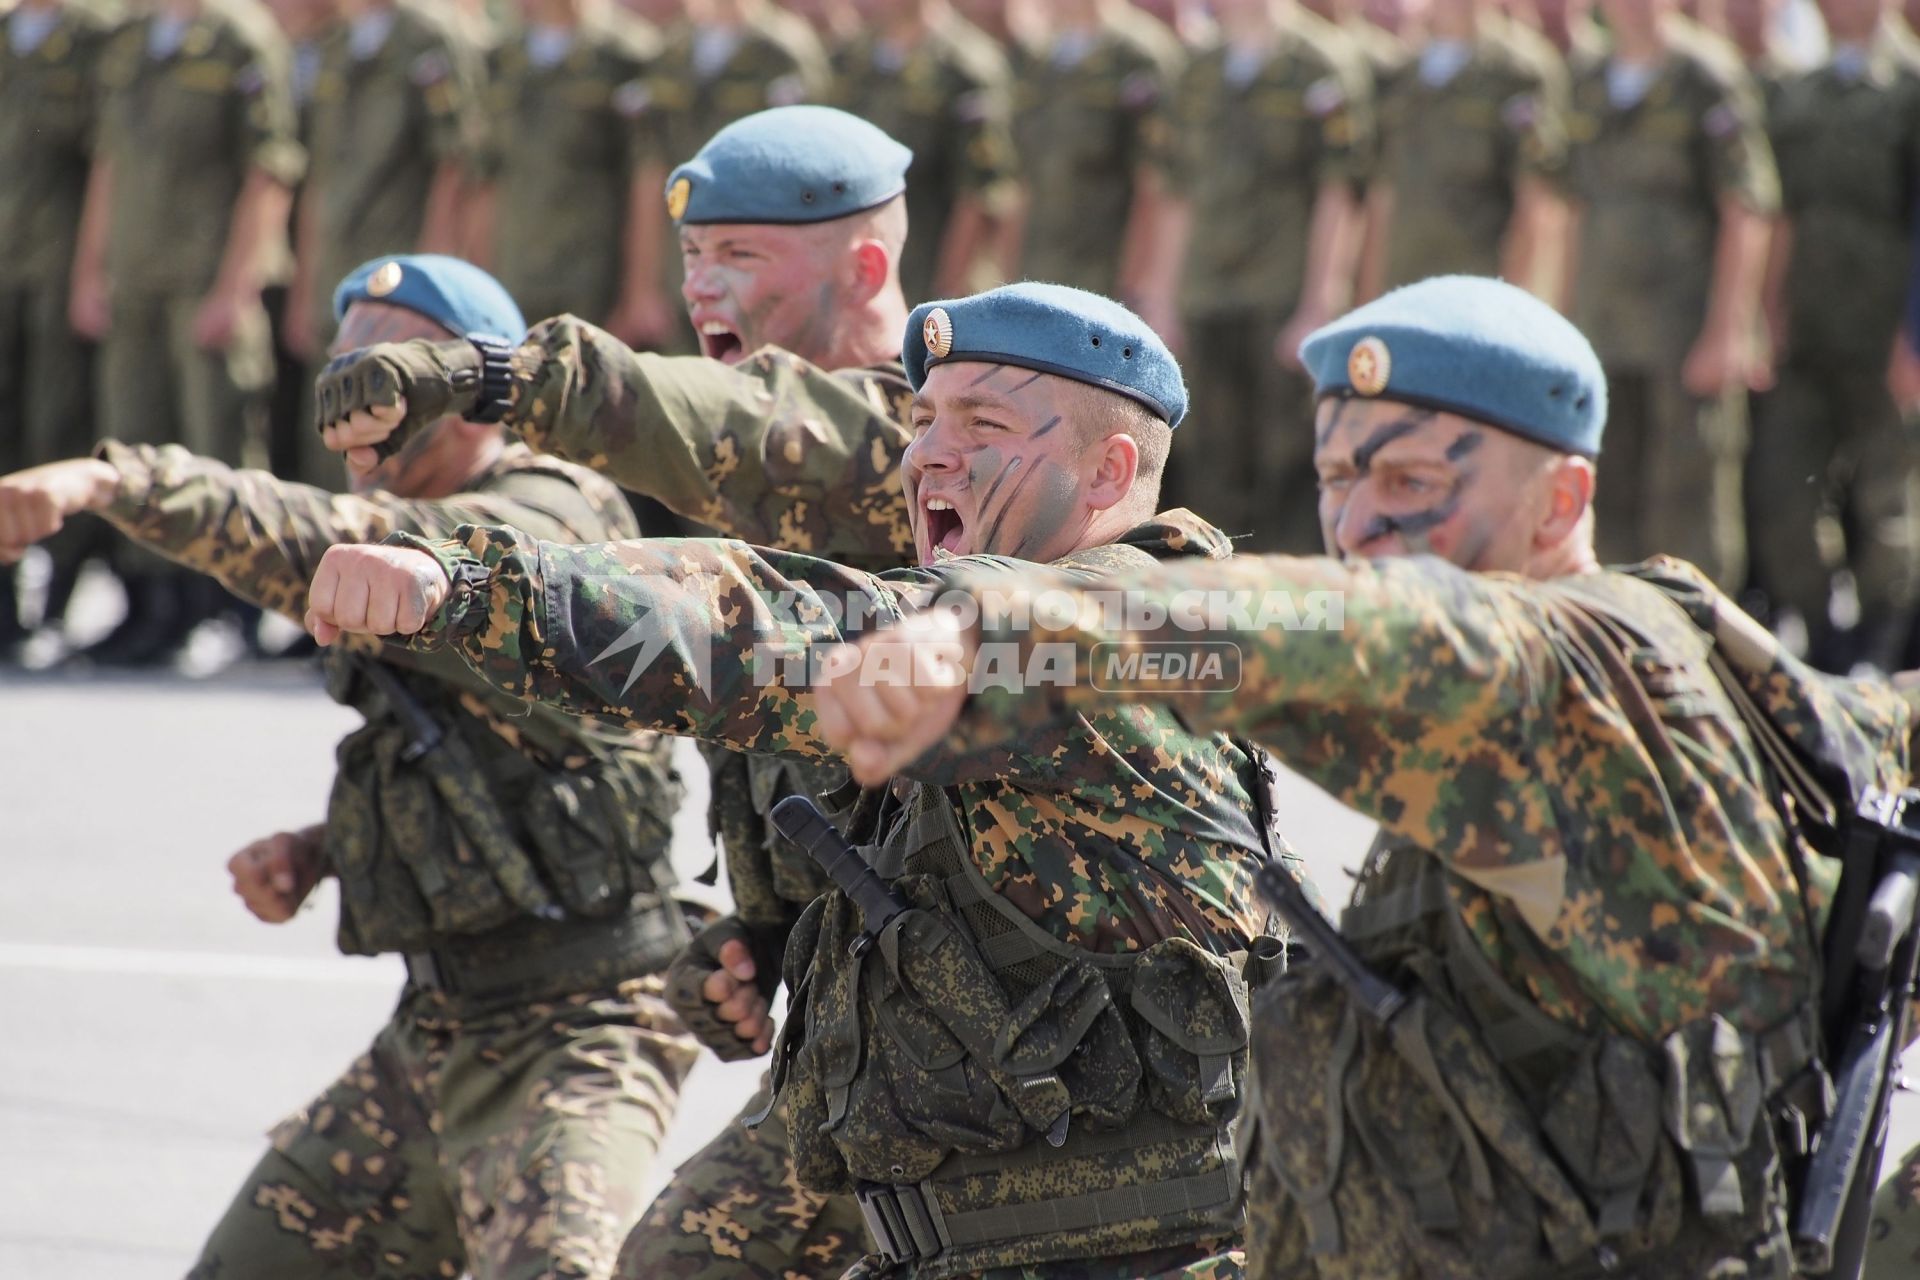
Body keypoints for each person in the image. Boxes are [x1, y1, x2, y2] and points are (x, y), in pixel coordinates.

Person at [808, 273, 1920, 1279]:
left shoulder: (1551, 662)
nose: (1360, 521)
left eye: (1412, 477)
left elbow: (1319, 621)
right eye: (1339, 475)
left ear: (1563, 502)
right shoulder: (1680, 663)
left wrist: (1005, 624)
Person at [305, 281, 1309, 1280]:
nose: (928, 453)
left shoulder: (1091, 644)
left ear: (1108, 472)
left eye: (983, 422)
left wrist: (474, 587)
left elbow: (781, 629)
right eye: (923, 421)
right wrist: (774, 939)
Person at [314, 104, 926, 1278]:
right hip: (871, 1033)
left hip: (989, 1056)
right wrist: (757, 942)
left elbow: (720, 417)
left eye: (741, 256)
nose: (706, 288)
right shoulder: (770, 472)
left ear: (866, 266)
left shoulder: (907, 435)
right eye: (694, 257)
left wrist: (487, 375)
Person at [0, 254, 699, 1280]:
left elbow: (338, 543)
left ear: (465, 390)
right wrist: (324, 850)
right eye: (339, 366)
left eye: (378, 368)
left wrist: (118, 481)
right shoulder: (412, 525)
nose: (345, 395)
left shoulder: (545, 522)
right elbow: (510, 768)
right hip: (436, 1029)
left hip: (581, 1031)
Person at [69, 0, 305, 665]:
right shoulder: (135, 40)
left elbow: (270, 170)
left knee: (219, 444)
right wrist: (90, 272)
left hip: (205, 278)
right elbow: (107, 163)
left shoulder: (240, 38)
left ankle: (232, 606)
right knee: (131, 438)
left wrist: (237, 286)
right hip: (135, 278)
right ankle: (150, 606)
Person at [1142, 0, 1372, 554]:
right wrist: (1162, 299)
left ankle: (1286, 605)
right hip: (1205, 297)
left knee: (1287, 465)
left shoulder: (1322, 64)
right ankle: (1216, 607)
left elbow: (1339, 191)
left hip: (1279, 295)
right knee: (1210, 464)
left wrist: (1320, 302)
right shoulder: (1197, 70)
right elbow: (1175, 192)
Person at [1562, 0, 1777, 588]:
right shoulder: (1587, 80)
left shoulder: (1707, 76)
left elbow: (1747, 209)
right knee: (1610, 491)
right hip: (1604, 328)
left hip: (1681, 329)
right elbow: (1565, 209)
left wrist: (1728, 331)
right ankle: (1622, 635)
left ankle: (1703, 645)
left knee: (1688, 499)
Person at [1748, 0, 1920, 673]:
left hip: (1884, 340)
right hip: (1805, 337)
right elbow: (1777, 214)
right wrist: (1765, 317)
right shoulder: (1801, 94)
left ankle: (1881, 647)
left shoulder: (1909, 87)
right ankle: (1824, 645)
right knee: (1781, 496)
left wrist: (1915, 336)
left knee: (1888, 508)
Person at [0, 0, 119, 662]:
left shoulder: (96, 37)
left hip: (55, 267)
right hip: (4, 263)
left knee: (56, 430)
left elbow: (111, 161)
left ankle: (59, 592)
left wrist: (90, 273)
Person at [466, 0, 666, 347]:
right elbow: (486, 180)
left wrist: (639, 290)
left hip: (593, 277)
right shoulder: (504, 56)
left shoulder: (628, 54)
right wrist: (478, 283)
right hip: (516, 272)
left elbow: (646, 178)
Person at [634, 0, 828, 353]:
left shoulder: (783, 51)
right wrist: (642, 287)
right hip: (679, 263)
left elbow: (804, 175)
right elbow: (649, 170)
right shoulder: (674, 51)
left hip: (753, 268)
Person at [1359, 0, 1568, 299]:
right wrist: (1369, 299)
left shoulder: (1518, 72)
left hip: (1477, 289)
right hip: (1402, 286)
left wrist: (1511, 302)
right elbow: (1381, 197)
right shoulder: (1401, 75)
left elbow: (1535, 201)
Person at [826, 0, 1019, 301]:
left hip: (926, 275)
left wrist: (945, 293)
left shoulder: (967, 66)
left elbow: (978, 194)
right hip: (855, 275)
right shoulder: (850, 59)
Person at [1005, 0, 1184, 300]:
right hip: (1039, 272)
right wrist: (1009, 278)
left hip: (1106, 278)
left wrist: (1139, 286)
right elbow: (1018, 183)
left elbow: (1156, 185)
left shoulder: (1139, 56)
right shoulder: (1038, 59)